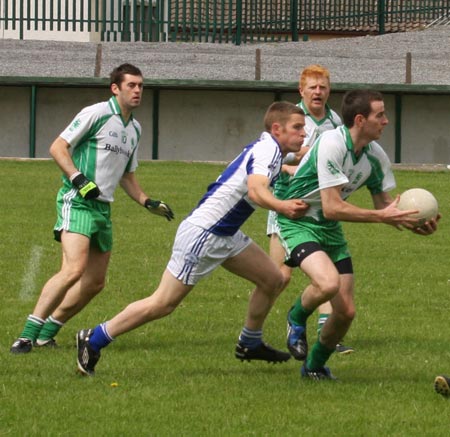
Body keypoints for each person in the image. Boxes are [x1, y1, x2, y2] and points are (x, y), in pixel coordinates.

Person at [75, 101, 309, 376]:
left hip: (226, 234)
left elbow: (300, 155)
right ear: (277, 128)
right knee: (163, 303)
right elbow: (257, 191)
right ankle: (94, 339)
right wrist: (283, 206)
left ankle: (250, 342)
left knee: (273, 280)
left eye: (304, 128)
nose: (303, 133)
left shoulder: (272, 147)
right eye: (297, 128)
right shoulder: (268, 150)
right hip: (205, 235)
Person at [10, 63, 174, 354]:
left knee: (95, 283)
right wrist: (78, 179)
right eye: (131, 85)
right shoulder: (96, 113)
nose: (137, 91)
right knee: (73, 269)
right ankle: (25, 335)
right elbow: (58, 147)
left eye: (140, 86)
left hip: (103, 211)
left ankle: (48, 332)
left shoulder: (135, 129)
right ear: (115, 88)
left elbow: (127, 176)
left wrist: (147, 201)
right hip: (78, 201)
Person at [276, 89, 439, 380]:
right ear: (361, 120)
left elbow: (385, 204)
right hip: (297, 220)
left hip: (329, 229)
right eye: (381, 115)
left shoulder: (375, 157)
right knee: (327, 284)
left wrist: (416, 223)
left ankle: (313, 368)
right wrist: (381, 217)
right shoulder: (332, 143)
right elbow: (331, 207)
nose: (386, 121)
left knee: (346, 312)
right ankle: (296, 317)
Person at [266, 65, 353, 356]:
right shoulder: (290, 118)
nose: (318, 92)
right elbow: (270, 158)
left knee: (328, 276)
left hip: (318, 210)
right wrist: (293, 163)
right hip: (288, 206)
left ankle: (327, 333)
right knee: (279, 277)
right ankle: (256, 328)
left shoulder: (335, 121)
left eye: (323, 87)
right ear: (301, 91)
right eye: (312, 87)